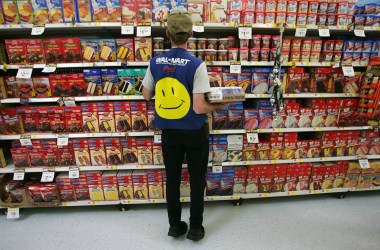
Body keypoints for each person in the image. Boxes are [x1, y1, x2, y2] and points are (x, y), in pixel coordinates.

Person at [142, 10, 229, 241]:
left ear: (167, 33)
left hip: (169, 130)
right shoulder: (196, 64)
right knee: (197, 178)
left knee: (172, 178)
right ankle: (196, 228)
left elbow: (146, 95)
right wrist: (219, 106)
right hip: (193, 130)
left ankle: (174, 226)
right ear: (190, 33)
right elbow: (200, 107)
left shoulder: (155, 62)